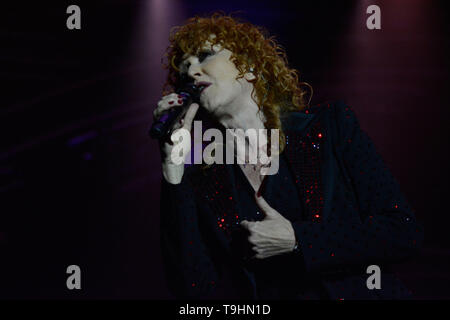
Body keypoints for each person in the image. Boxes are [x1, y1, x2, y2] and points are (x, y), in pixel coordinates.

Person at [154, 12, 424, 300]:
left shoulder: (331, 126)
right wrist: (173, 170)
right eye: (184, 69)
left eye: (205, 55)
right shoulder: (203, 179)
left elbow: (402, 232)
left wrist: (299, 239)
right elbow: (193, 290)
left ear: (247, 66)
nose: (191, 71)